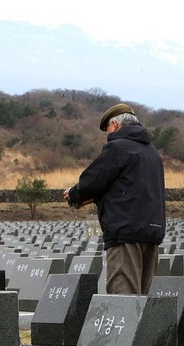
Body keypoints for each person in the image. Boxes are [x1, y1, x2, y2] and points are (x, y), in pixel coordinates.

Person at [62, 103, 166, 294]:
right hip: (152, 232)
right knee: (142, 300)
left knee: (123, 298)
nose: (107, 135)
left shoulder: (118, 148)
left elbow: (93, 180)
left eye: (107, 129)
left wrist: (74, 195)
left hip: (125, 231)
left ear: (116, 125)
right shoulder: (152, 153)